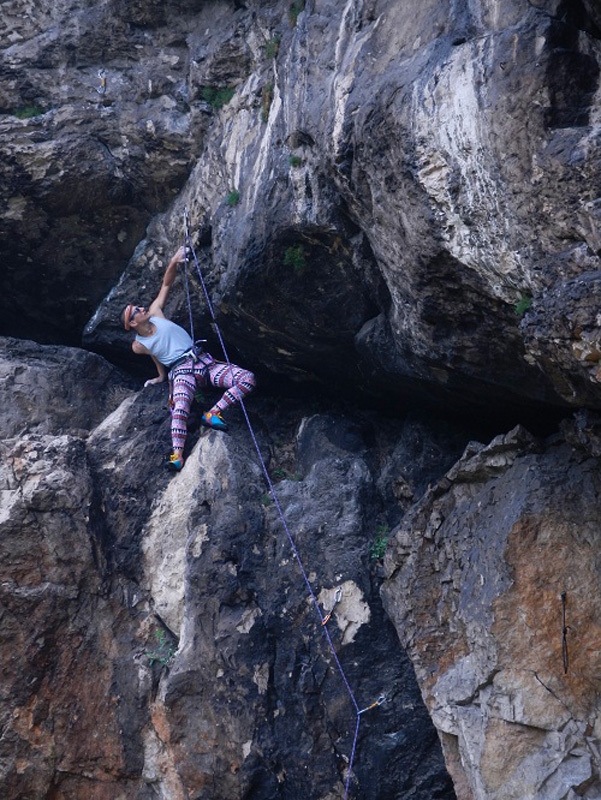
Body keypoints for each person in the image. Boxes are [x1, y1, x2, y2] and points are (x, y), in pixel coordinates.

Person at [121, 246, 256, 471]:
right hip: (181, 371)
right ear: (133, 323)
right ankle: (177, 455)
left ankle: (213, 412)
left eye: (140, 307)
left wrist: (174, 261)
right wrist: (160, 376)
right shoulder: (138, 345)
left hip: (202, 361)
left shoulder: (155, 313)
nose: (143, 308)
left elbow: (166, 284)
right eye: (137, 310)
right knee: (180, 407)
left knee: (246, 378)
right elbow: (156, 355)